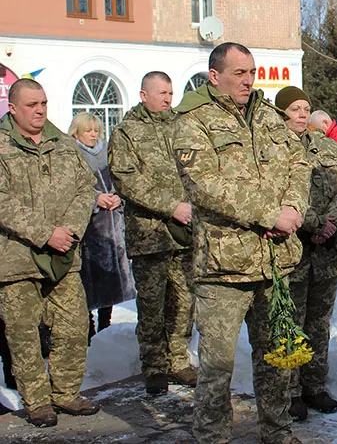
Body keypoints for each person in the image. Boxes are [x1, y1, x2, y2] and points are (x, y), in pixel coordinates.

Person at [172, 43, 311, 444]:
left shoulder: (268, 116)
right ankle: (213, 437)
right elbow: (205, 185)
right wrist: (268, 214)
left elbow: (299, 163)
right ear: (214, 76)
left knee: (276, 361)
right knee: (217, 368)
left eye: (251, 71)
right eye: (238, 72)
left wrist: (292, 207)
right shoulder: (193, 121)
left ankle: (277, 432)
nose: (248, 79)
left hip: (274, 261)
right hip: (223, 268)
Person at [0, 79, 99, 427]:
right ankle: (37, 401)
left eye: (43, 102)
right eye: (32, 105)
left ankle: (66, 393)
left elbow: (86, 188)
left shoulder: (64, 145)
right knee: (24, 334)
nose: (40, 110)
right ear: (13, 109)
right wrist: (45, 234)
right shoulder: (1, 146)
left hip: (64, 256)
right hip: (17, 259)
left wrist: (69, 231)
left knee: (74, 327)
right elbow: (3, 202)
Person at [273, 87, 337, 422]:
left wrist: (333, 224)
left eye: (306, 108)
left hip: (328, 252)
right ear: (281, 113)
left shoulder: (327, 147)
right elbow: (276, 195)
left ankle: (314, 385)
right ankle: (290, 391)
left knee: (319, 322)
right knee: (289, 323)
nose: (302, 114)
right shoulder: (272, 149)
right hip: (291, 250)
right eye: (294, 108)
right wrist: (314, 224)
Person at [109, 72, 196, 395]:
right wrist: (170, 205)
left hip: (184, 234)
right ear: (144, 95)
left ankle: (178, 359)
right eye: (162, 93)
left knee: (184, 302)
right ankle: (155, 366)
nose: (168, 98)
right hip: (150, 235)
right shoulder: (127, 132)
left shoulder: (181, 126)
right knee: (152, 305)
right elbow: (127, 180)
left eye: (171, 93)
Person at [69, 113, 134, 341]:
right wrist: (95, 199)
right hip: (88, 228)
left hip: (112, 225)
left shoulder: (107, 151)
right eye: (88, 130)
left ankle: (106, 327)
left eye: (96, 130)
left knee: (111, 280)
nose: (93, 135)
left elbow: (121, 181)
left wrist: (118, 197)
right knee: (88, 281)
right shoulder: (71, 154)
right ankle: (88, 328)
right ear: (77, 132)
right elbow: (70, 189)